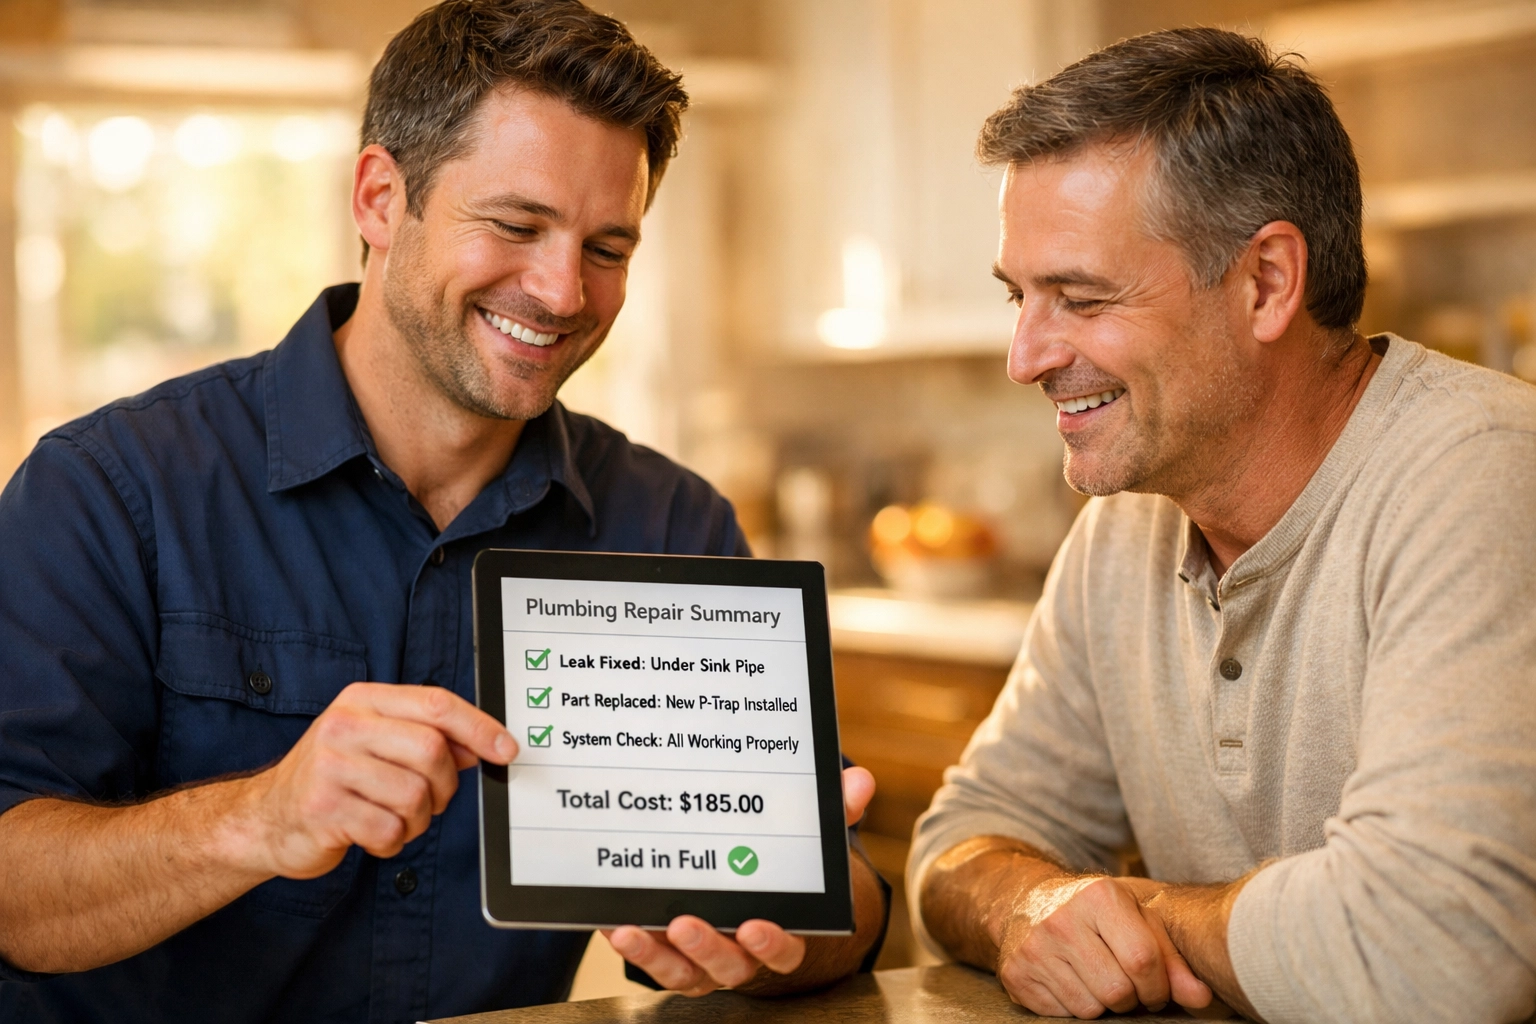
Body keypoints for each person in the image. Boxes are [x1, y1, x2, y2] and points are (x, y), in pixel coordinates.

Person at [0, 2, 886, 1020]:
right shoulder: (111, 490)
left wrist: (795, 923)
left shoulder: (671, 526)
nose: (561, 290)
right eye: (515, 225)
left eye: (608, 247)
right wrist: (257, 819)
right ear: (381, 197)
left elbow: (846, 903)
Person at [908, 26, 1536, 1024]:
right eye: (1020, 298)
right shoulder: (1123, 531)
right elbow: (963, 840)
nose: (1026, 355)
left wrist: (1138, 913)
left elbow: (1437, 955)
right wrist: (1035, 902)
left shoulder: (1482, 476)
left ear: (1267, 283)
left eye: (1080, 297)